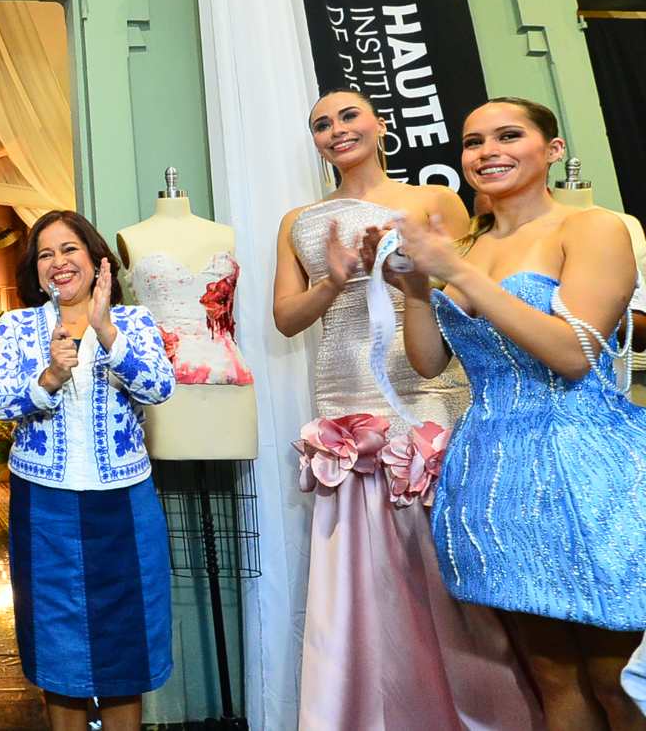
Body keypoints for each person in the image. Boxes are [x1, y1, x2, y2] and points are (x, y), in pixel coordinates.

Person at [272, 89, 541, 730]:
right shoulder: (298, 220)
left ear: (381, 125)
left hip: (425, 389)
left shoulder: (433, 200)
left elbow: (466, 300)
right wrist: (334, 279)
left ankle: (477, 713)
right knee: (360, 575)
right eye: (321, 124)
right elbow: (285, 319)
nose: (336, 130)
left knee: (438, 563)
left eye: (349, 116)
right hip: (342, 398)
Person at [386, 96, 646, 729]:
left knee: (617, 679)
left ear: (552, 150)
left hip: (587, 464)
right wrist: (417, 287)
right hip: (492, 472)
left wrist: (455, 271)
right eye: (474, 142)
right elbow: (429, 363)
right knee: (552, 678)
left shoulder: (592, 228)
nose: (487, 152)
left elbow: (574, 354)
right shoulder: (468, 246)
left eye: (508, 136)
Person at [0, 210, 175, 731]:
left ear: (95, 260)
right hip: (45, 506)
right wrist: (48, 376)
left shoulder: (133, 322)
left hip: (124, 503)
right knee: (56, 641)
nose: (59, 262)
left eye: (69, 249)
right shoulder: (17, 326)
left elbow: (159, 387)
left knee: (125, 640)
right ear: (35, 270)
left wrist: (106, 330)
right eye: (45, 254)